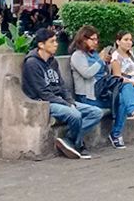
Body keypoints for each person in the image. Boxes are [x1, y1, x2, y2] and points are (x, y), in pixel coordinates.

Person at [20, 28, 102, 159]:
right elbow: (43, 93)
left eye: (56, 41)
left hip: (59, 100)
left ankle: (69, 139)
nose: (56, 44)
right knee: (74, 114)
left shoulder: (53, 61)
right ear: (41, 45)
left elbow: (62, 86)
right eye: (52, 41)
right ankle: (79, 144)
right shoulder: (32, 63)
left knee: (96, 112)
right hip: (44, 103)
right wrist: (67, 104)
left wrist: (69, 101)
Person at [67, 25, 134, 149]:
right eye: (92, 39)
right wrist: (100, 60)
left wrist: (106, 63)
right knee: (121, 98)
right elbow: (87, 74)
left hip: (101, 92)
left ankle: (117, 131)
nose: (96, 42)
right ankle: (130, 113)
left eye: (96, 39)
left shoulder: (94, 55)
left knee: (124, 90)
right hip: (87, 96)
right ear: (83, 39)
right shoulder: (78, 56)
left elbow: (103, 74)